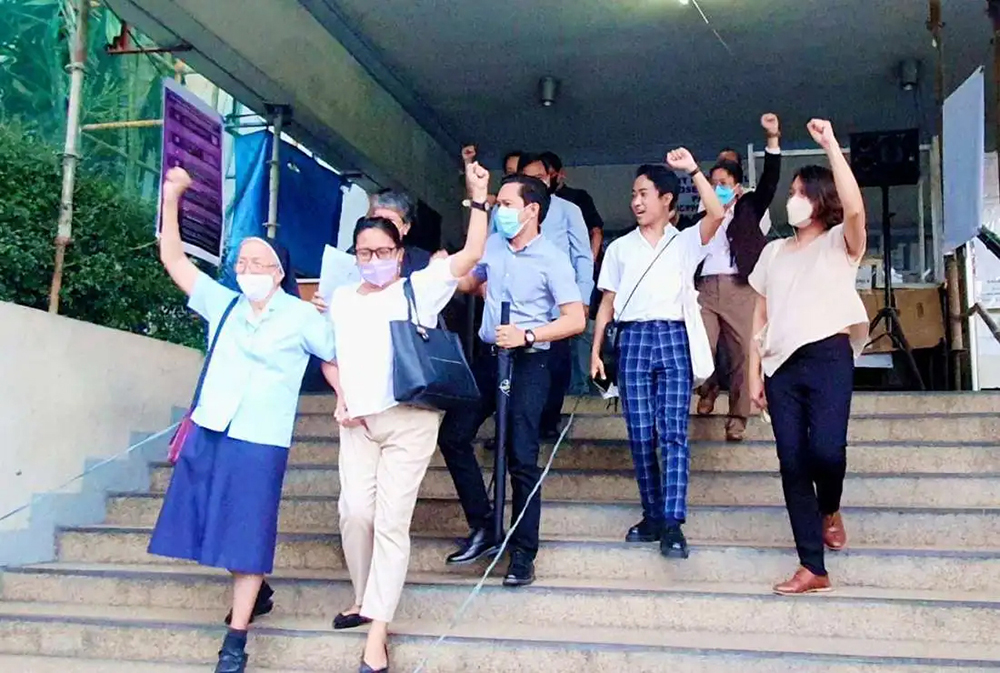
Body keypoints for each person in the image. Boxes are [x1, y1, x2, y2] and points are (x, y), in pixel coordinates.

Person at [147, 168, 337, 673]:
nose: (247, 268)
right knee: (210, 523)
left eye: (260, 262)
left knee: (248, 533)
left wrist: (345, 399)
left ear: (279, 272)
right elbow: (172, 257)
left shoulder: (301, 317)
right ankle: (261, 590)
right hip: (212, 428)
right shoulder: (223, 303)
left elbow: (334, 355)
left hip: (261, 438)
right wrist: (172, 198)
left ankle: (235, 642)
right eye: (243, 260)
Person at [323, 162, 491, 673]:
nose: (374, 261)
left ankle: (378, 633)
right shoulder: (342, 299)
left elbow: (472, 254)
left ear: (400, 252)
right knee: (355, 515)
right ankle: (362, 596)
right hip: (358, 424)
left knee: (391, 524)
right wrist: (340, 395)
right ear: (354, 256)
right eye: (365, 253)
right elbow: (332, 357)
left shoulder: (419, 287)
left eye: (383, 252)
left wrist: (478, 198)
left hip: (411, 421)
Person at [438, 173, 586, 586]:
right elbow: (472, 281)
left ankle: (523, 552)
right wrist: (446, 269)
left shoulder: (552, 258)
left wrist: (529, 334)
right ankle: (484, 524)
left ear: (531, 210)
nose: (498, 211)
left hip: (528, 360)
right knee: (454, 435)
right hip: (489, 358)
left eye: (504, 204)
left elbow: (575, 319)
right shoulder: (494, 246)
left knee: (521, 454)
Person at [747, 119, 869, 596]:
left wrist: (832, 146)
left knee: (826, 452)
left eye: (800, 191)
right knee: (792, 461)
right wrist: (755, 373)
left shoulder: (841, 243)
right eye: (791, 190)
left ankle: (831, 508)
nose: (792, 198)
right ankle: (812, 566)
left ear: (819, 200)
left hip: (829, 355)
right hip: (780, 366)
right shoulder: (774, 252)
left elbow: (855, 208)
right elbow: (760, 311)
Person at [590, 149, 725, 559]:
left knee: (673, 434)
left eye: (644, 193)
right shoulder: (618, 249)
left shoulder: (685, 243)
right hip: (631, 339)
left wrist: (694, 171)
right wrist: (596, 351)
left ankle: (672, 521)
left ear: (667, 199)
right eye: (634, 194)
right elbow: (607, 304)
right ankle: (651, 514)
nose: (636, 201)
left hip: (673, 336)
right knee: (640, 432)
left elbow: (717, 214)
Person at [694, 113, 783, 442]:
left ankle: (737, 417)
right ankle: (708, 387)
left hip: (741, 287)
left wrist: (772, 140)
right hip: (704, 288)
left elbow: (771, 180)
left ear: (737, 186)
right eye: (712, 183)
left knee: (744, 353)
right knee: (700, 345)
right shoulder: (700, 216)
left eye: (722, 184)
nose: (716, 189)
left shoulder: (749, 207)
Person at [518, 153, 594, 438]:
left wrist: (583, 298)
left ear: (550, 178)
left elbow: (583, 257)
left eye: (539, 177)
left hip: (558, 306)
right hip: (519, 307)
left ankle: (548, 422)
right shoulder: (507, 212)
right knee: (516, 370)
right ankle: (513, 430)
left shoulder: (568, 210)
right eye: (527, 178)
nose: (534, 183)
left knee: (557, 367)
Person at [541, 150, 606, 394]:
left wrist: (585, 277)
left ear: (557, 174)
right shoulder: (523, 204)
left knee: (575, 342)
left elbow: (596, 231)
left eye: (544, 174)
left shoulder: (574, 200)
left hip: (571, 285)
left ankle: (578, 390)